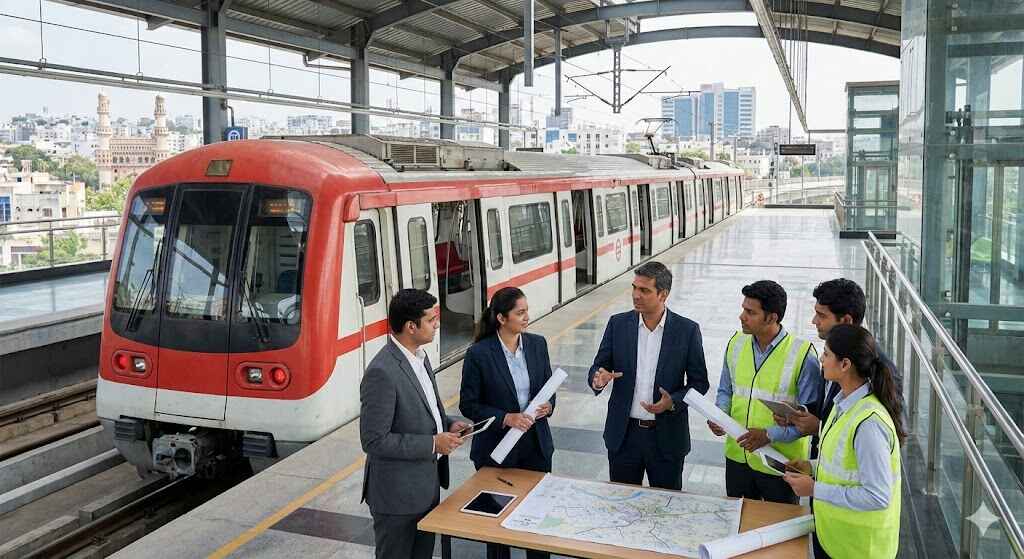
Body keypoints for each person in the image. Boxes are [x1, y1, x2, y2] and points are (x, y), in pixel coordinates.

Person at [360, 289, 468, 559]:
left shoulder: (420, 357)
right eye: (432, 320)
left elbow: (425, 410)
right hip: (397, 498)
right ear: (411, 326)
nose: (438, 324)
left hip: (425, 488)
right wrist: (433, 443)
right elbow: (373, 440)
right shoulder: (381, 372)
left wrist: (448, 423)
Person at [783, 324, 905, 559]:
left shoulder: (869, 423)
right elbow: (844, 463)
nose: (821, 359)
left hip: (860, 548)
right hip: (835, 539)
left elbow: (877, 496)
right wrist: (812, 466)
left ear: (845, 364)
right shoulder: (843, 404)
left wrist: (814, 489)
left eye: (827, 354)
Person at [589, 261, 709, 490]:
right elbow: (599, 366)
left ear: (663, 294)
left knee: (664, 508)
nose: (636, 295)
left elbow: (700, 383)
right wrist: (598, 378)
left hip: (666, 439)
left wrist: (672, 402)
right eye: (634, 288)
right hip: (623, 437)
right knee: (621, 506)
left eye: (644, 290)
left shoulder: (687, 330)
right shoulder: (618, 324)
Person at [707, 280, 823, 504]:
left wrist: (769, 435)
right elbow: (725, 390)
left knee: (778, 529)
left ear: (772, 317)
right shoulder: (736, 343)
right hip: (737, 457)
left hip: (780, 464)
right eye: (743, 309)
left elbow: (809, 418)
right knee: (738, 525)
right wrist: (720, 415)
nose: (742, 316)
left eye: (750, 312)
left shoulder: (802, 355)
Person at [460, 287, 555, 559]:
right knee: (497, 525)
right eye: (520, 312)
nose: (527, 317)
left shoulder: (538, 344)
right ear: (501, 318)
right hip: (496, 450)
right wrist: (505, 418)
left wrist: (549, 407)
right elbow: (469, 404)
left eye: (527, 311)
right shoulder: (479, 353)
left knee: (535, 520)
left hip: (536, 447)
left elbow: (548, 388)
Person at [775, 278, 904, 458]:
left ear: (846, 320)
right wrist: (799, 414)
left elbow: (874, 440)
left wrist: (818, 427)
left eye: (821, 315)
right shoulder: (833, 354)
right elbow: (828, 406)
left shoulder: (878, 371)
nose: (814, 321)